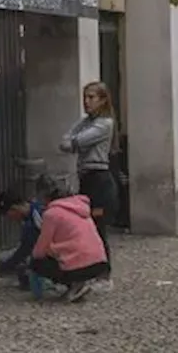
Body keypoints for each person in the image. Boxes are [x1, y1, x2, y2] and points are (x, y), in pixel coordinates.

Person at [60, 81, 119, 286]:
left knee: (98, 227)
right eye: (85, 97)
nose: (87, 102)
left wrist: (73, 141)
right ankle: (90, 270)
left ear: (102, 100)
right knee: (87, 227)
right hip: (85, 178)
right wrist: (72, 141)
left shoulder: (104, 124)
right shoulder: (85, 122)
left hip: (99, 180)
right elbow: (64, 141)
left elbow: (75, 142)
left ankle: (104, 273)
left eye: (92, 97)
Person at [29, 192, 111, 302]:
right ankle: (78, 285)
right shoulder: (82, 210)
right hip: (100, 263)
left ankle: (75, 283)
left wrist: (33, 259)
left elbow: (42, 244)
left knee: (37, 263)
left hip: (79, 266)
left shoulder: (52, 214)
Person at [0, 190, 46, 289]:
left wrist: (0, 269)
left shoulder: (38, 217)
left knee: (28, 264)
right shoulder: (34, 211)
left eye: (9, 215)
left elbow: (24, 250)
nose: (12, 219)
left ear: (14, 208)